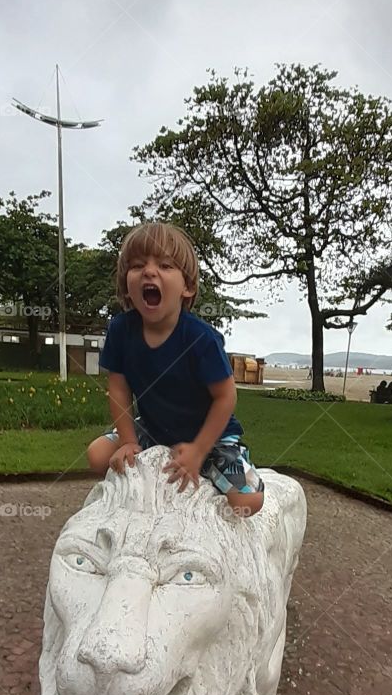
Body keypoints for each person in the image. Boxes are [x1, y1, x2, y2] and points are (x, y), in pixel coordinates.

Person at [87, 221, 264, 517]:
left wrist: (198, 449)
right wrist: (130, 440)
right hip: (153, 427)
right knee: (97, 455)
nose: (149, 271)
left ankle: (224, 467)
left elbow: (226, 397)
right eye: (137, 265)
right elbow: (118, 387)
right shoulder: (120, 330)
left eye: (165, 265)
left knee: (248, 501)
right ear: (126, 285)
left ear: (188, 287)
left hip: (209, 437)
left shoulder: (200, 339)